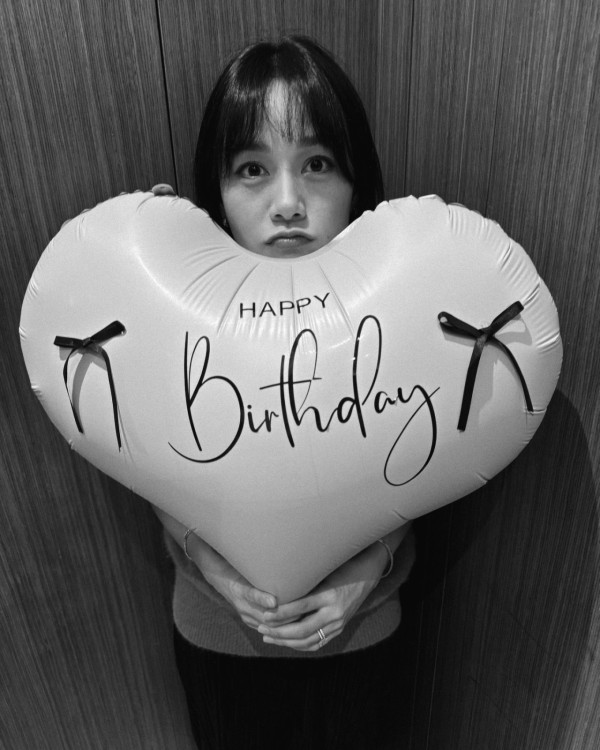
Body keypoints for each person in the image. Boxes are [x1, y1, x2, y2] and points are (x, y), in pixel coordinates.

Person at [153, 35, 415, 749]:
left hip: (363, 633)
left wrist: (369, 567)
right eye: (252, 169)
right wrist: (210, 562)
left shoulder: (404, 305)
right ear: (217, 194)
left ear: (357, 182)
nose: (289, 203)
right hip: (217, 635)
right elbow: (143, 454)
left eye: (318, 164)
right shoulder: (176, 311)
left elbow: (430, 455)